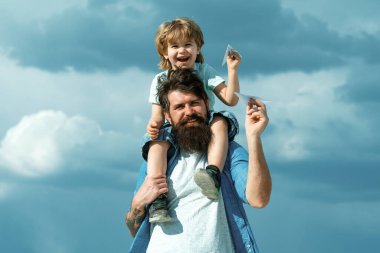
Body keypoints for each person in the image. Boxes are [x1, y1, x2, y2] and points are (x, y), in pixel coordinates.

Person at [126, 68, 271, 252]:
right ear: (168, 116)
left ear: (206, 105)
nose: (189, 112)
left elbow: (259, 199)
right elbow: (135, 229)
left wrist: (254, 136)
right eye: (179, 107)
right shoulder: (158, 159)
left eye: (194, 103)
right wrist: (137, 204)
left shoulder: (228, 153)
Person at [145, 17, 242, 223]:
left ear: (198, 49)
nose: (182, 51)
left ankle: (213, 174)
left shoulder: (204, 72)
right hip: (175, 126)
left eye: (188, 44)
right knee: (156, 141)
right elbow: (157, 115)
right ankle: (158, 198)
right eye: (175, 46)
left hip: (203, 123)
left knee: (220, 120)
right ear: (165, 52)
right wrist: (154, 126)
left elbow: (230, 99)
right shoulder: (160, 80)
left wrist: (232, 70)